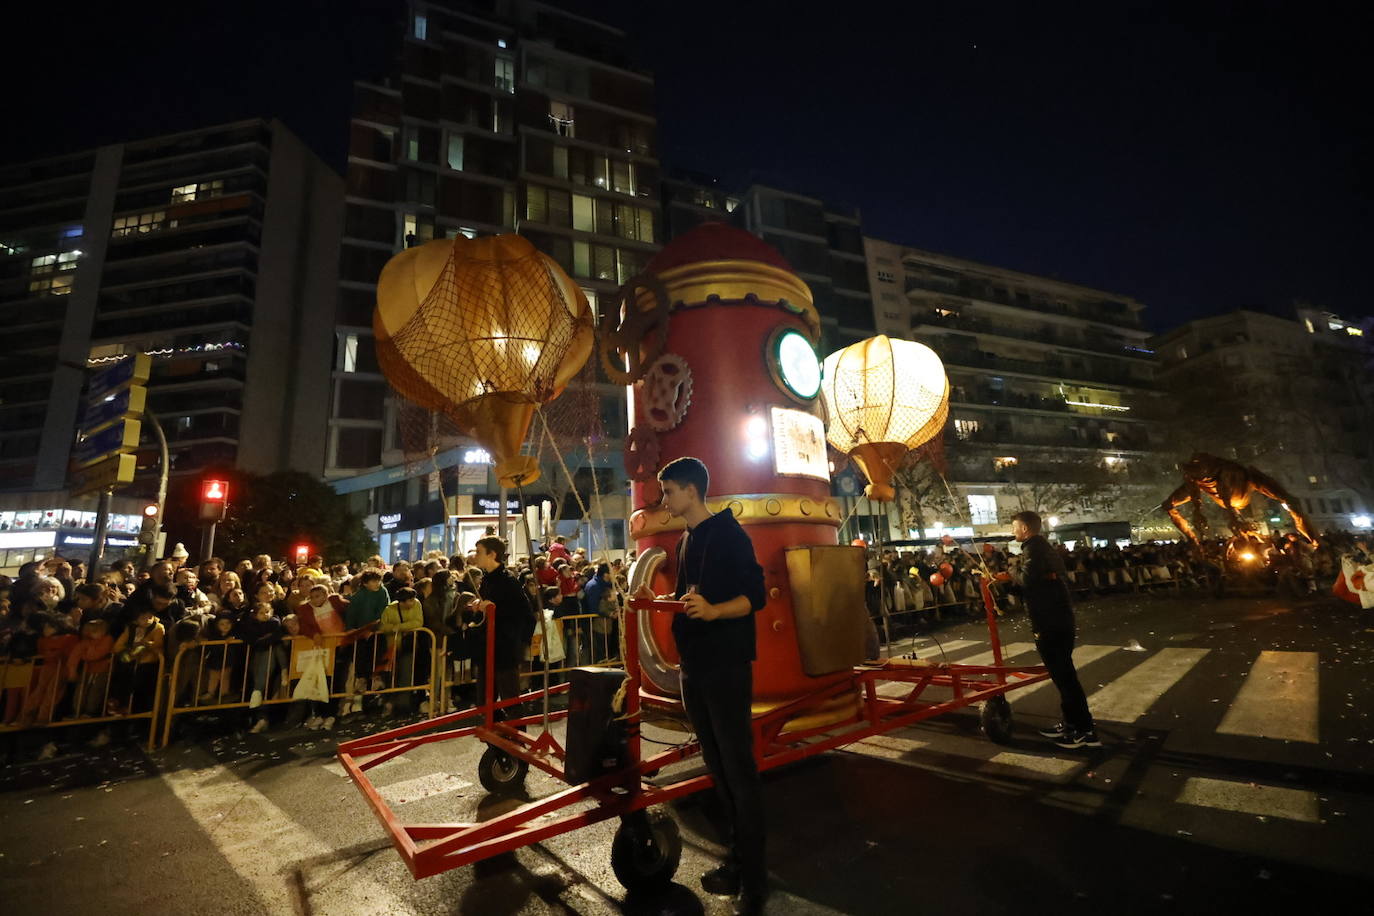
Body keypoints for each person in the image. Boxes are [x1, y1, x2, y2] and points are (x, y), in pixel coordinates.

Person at [637, 456, 768, 913]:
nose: (664, 499)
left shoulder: (731, 534)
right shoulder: (686, 539)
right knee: (718, 765)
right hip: (695, 665)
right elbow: (690, 594)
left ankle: (755, 879)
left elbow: (756, 596)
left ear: (691, 491)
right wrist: (660, 602)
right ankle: (737, 861)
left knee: (739, 769)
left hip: (727, 665)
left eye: (668, 491)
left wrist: (713, 611)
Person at [1010, 510, 1100, 749]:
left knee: (1065, 677)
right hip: (1056, 618)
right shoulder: (1040, 548)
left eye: (1015, 527)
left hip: (1051, 621)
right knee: (1063, 675)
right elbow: (1036, 583)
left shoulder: (1035, 550)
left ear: (1026, 529)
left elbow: (1026, 579)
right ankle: (1072, 723)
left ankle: (1084, 730)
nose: (1013, 531)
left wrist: (1011, 571)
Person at [471, 535, 536, 726]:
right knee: (484, 701)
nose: (475, 556)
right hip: (486, 648)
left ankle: (517, 739)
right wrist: (479, 607)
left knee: (510, 700)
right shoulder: (487, 580)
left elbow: (525, 615)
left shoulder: (509, 581)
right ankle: (498, 738)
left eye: (479, 552)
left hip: (504, 649)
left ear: (492, 554)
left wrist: (518, 644)